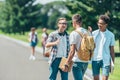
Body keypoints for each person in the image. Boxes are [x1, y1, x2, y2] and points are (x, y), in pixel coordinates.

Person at [62, 14, 90, 80]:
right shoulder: (88, 32)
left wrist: (66, 63)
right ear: (81, 22)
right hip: (86, 61)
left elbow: (72, 51)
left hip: (77, 62)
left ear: (74, 22)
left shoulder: (74, 33)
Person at [91, 15, 115, 80]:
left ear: (106, 24)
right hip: (95, 59)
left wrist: (112, 63)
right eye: (98, 23)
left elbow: (112, 50)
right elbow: (89, 46)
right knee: (96, 78)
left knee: (105, 79)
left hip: (106, 60)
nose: (99, 25)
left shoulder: (111, 35)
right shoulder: (93, 33)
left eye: (101, 24)